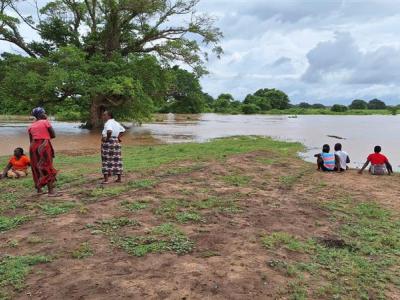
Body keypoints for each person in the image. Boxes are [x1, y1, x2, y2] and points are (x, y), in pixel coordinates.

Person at [28, 107, 59, 196]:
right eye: (44, 113)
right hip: (44, 145)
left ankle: (39, 190)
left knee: (36, 166)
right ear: (41, 114)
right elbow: (53, 135)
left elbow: (31, 140)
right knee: (47, 166)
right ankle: (51, 192)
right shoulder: (45, 122)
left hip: (33, 146)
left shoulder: (31, 126)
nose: (45, 114)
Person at [101, 111, 125, 184]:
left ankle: (106, 180)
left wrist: (107, 139)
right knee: (117, 159)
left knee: (106, 159)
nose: (103, 116)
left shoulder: (108, 123)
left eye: (104, 115)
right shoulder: (116, 123)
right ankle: (119, 179)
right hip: (116, 142)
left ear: (109, 116)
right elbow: (123, 130)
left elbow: (109, 131)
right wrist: (118, 137)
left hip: (109, 142)